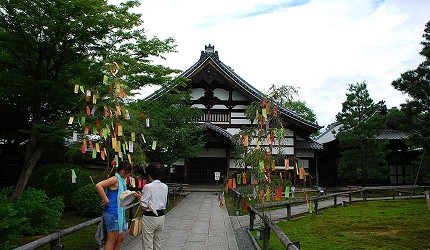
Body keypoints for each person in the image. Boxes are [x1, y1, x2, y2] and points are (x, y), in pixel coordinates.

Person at [95, 160, 132, 250]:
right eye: (128, 173)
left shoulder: (121, 181)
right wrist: (106, 200)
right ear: (123, 171)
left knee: (120, 238)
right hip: (112, 212)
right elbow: (98, 185)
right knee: (111, 240)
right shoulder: (115, 179)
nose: (128, 176)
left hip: (119, 213)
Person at [134, 162, 168, 250]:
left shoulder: (148, 187)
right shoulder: (165, 186)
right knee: (158, 242)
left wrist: (139, 197)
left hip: (149, 217)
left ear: (149, 174)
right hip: (161, 216)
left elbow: (144, 207)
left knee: (148, 244)